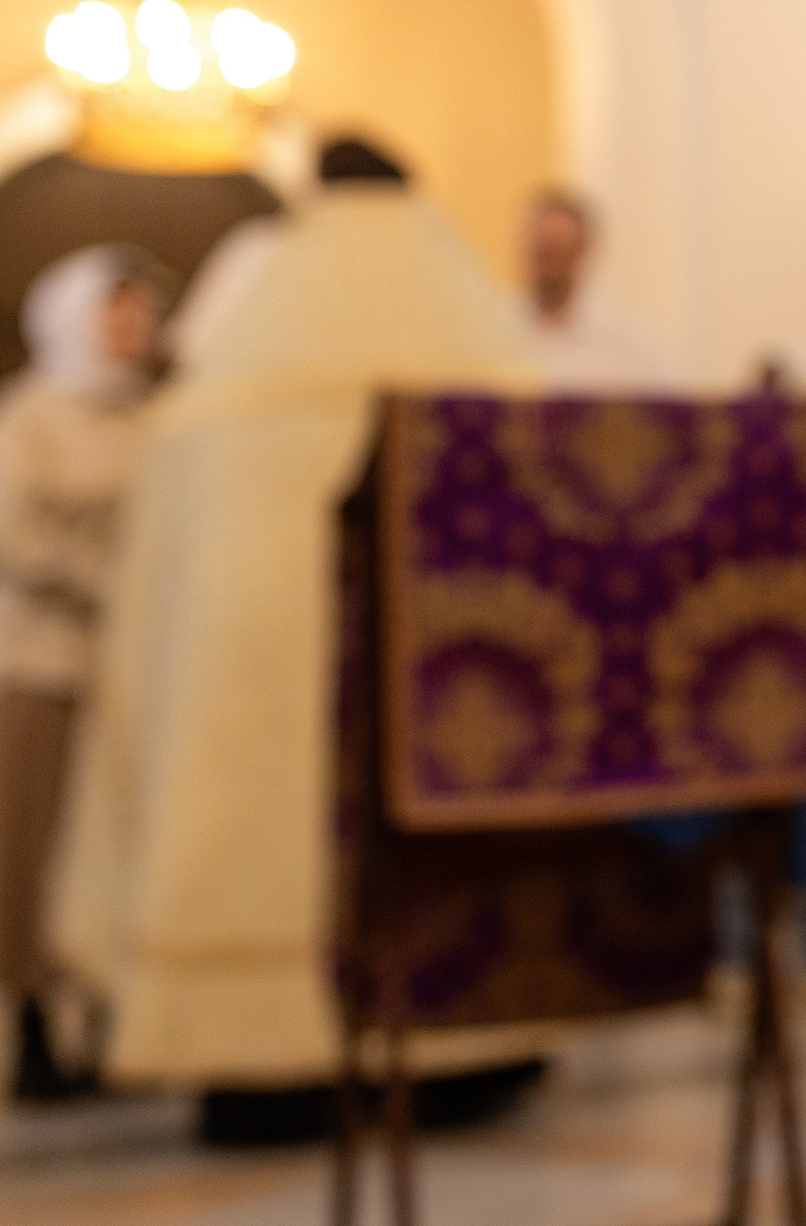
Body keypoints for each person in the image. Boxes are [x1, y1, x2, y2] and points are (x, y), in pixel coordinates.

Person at [50, 136, 542, 1109]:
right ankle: (475, 1044)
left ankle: (265, 1068)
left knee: (261, 801)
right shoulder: (479, 336)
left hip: (257, 673)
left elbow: (162, 564)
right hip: (446, 700)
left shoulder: (246, 340)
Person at [0, 246, 165, 1100]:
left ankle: (110, 1022)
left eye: (141, 314)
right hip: (47, 661)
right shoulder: (30, 417)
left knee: (115, 847)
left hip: (130, 674)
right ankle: (33, 1025)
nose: (132, 329)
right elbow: (18, 537)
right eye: (116, 312)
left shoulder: (158, 419)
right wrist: (110, 582)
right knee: (37, 846)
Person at [519, 187, 681, 389]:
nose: (550, 263)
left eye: (560, 247)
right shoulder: (502, 325)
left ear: (583, 250)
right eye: (543, 248)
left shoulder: (630, 340)